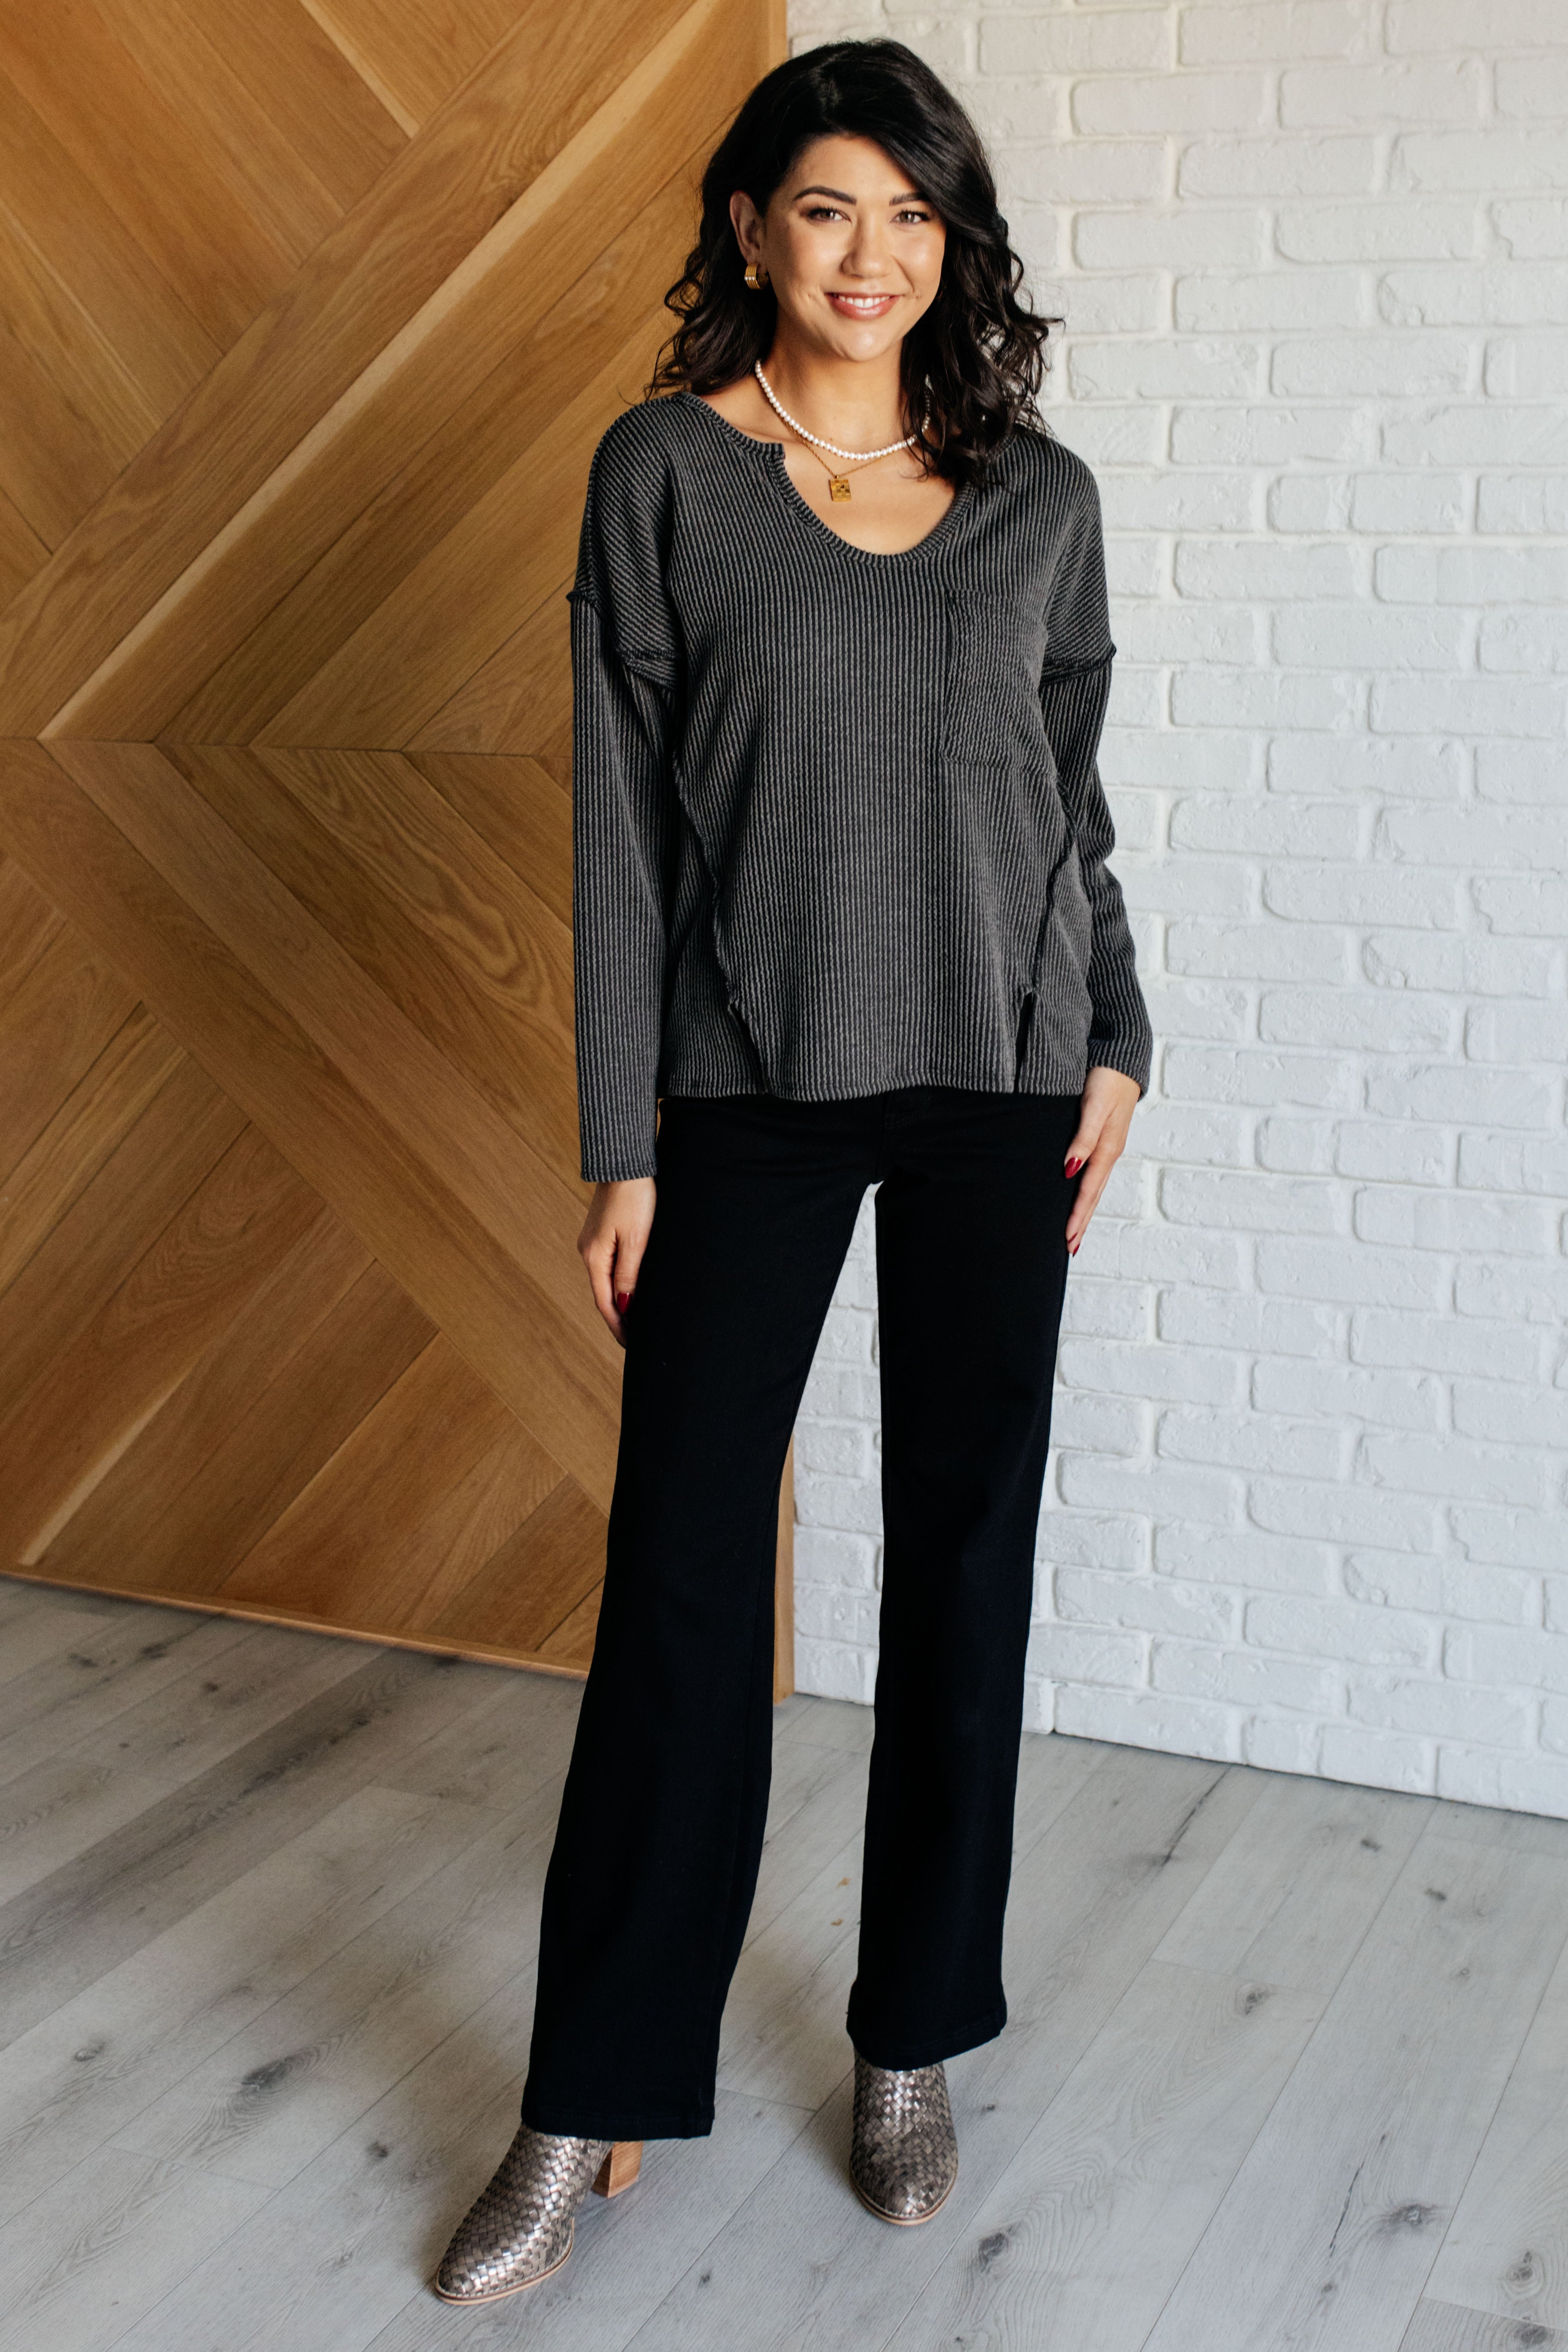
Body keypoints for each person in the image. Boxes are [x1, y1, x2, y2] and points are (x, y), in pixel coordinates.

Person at [433, 35, 1151, 2307]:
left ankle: (910, 2037)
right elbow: (620, 826)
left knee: (963, 1561)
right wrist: (619, 1136)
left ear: (956, 245)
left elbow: (1064, 796)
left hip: (1001, 1082)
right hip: (748, 1084)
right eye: (829, 206)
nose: (871, 255)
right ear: (751, 228)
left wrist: (1116, 1038)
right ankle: (591, 2090)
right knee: (677, 1585)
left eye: (913, 215)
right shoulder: (662, 471)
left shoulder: (1036, 496)